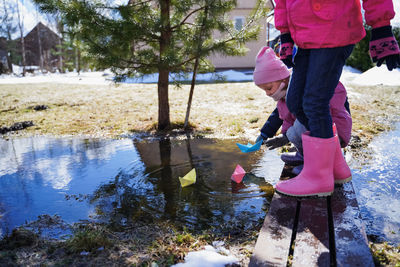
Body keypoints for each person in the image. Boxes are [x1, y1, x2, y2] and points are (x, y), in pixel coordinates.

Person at [273, 0, 400, 197]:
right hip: (304, 35)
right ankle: (334, 164)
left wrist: (381, 26)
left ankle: (319, 178)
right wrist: (285, 34)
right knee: (295, 102)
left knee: (314, 102)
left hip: (334, 27)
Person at [253, 46, 352, 176]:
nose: (267, 93)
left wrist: (288, 136)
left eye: (269, 88)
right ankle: (305, 156)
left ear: (283, 79)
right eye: (264, 90)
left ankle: (320, 161)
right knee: (297, 127)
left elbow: (322, 112)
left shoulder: (306, 88)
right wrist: (266, 134)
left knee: (304, 121)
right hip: (314, 133)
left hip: (332, 131)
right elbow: (283, 118)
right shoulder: (284, 99)